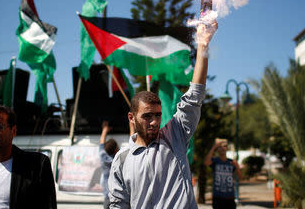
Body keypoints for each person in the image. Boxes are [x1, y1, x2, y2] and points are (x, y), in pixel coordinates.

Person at [108, 19, 218, 208]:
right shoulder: (122, 159)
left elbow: (195, 94)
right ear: (131, 118)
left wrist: (203, 43)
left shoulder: (175, 135)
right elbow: (118, 204)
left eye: (157, 115)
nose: (154, 122)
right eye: (147, 116)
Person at [204, 139, 242, 209]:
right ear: (217, 149)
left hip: (230, 197)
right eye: (220, 146)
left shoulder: (232, 162)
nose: (222, 148)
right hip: (217, 197)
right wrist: (213, 147)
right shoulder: (215, 161)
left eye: (224, 146)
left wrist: (237, 166)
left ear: (227, 148)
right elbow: (206, 162)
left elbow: (240, 177)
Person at [99, 121, 119, 208]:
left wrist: (104, 130)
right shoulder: (119, 160)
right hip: (118, 197)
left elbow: (101, 145)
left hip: (107, 197)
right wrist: (132, 125)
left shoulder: (103, 158)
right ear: (116, 149)